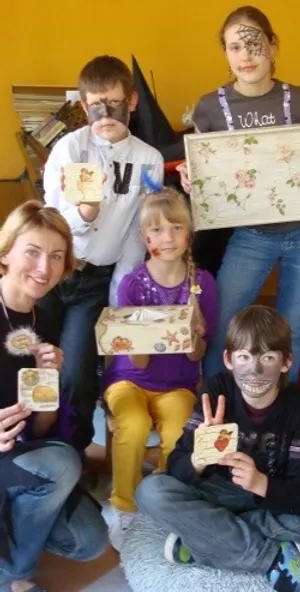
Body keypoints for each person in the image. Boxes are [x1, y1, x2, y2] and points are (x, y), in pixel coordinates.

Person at [136, 305, 300, 592]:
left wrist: (261, 483)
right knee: (150, 492)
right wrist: (200, 455)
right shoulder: (216, 391)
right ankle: (270, 559)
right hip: (215, 494)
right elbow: (176, 469)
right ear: (229, 359)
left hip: (273, 498)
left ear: (286, 362)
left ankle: (209, 538)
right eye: (244, 357)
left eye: (268, 358)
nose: (255, 370)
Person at [179, 5, 300, 383]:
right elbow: (208, 173)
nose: (246, 56)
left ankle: (279, 405)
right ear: (225, 53)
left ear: (273, 46)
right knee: (223, 323)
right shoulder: (210, 108)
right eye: (235, 47)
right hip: (252, 235)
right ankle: (217, 400)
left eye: (254, 44)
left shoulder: (299, 99)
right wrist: (193, 180)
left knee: (290, 329)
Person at [42, 55, 164, 451]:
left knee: (77, 372)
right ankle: (29, 443)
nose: (106, 114)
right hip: (52, 272)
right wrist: (84, 214)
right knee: (32, 360)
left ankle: (73, 452)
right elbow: (51, 216)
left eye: (114, 103)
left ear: (132, 101)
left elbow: (136, 232)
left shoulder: (149, 159)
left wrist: (119, 291)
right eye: (96, 105)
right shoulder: (70, 148)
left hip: (97, 280)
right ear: (83, 106)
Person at [0, 201, 107, 592]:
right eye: (32, 251)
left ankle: (14, 531)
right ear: (5, 253)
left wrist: (50, 382)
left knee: (89, 540)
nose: (45, 268)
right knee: (61, 465)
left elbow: (41, 427)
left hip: (16, 458)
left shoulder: (43, 321)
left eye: (57, 256)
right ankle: (13, 577)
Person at [101, 188, 217, 550]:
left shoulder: (203, 283)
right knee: (133, 425)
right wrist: (143, 340)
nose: (167, 238)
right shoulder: (133, 284)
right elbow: (135, 361)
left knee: (179, 432)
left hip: (177, 385)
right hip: (129, 380)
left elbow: (198, 356)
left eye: (176, 228)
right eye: (157, 230)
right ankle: (124, 506)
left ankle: (166, 503)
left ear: (189, 233)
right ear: (144, 237)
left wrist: (194, 336)